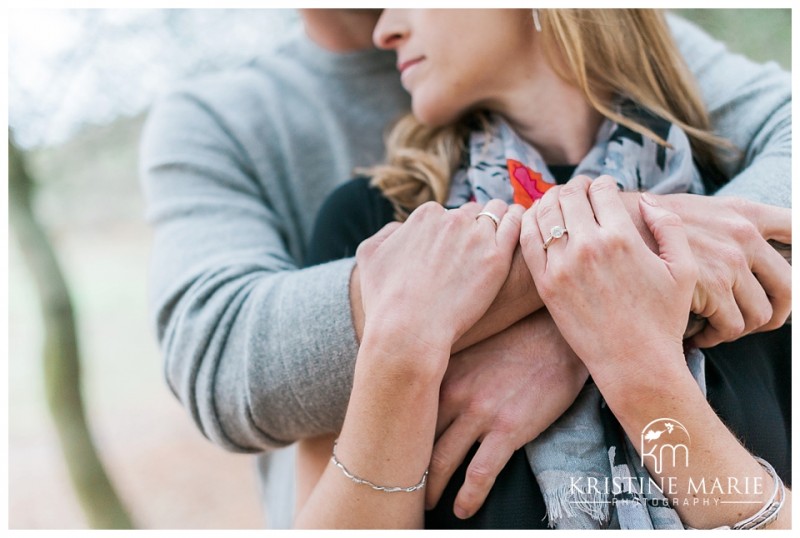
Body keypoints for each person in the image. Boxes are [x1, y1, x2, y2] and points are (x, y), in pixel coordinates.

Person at [138, 9, 790, 528]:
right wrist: (406, 347)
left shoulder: (733, 219)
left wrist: (610, 343)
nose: (383, 28)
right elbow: (223, 360)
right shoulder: (378, 233)